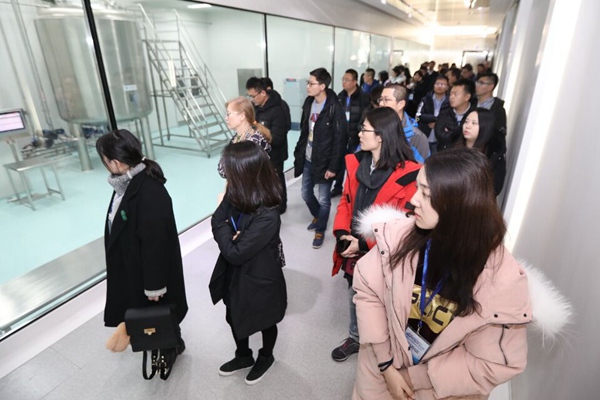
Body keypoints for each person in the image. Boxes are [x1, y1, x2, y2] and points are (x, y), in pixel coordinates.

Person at [352, 148, 565, 400]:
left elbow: (492, 363)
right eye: (418, 188)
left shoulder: (500, 282)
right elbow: (368, 292)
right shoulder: (397, 237)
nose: (413, 200)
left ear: (458, 204)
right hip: (379, 373)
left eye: (426, 194)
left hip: (439, 391)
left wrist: (414, 378)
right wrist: (386, 365)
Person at [330, 107, 421, 363]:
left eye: (364, 129)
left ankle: (383, 346)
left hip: (385, 252)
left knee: (384, 300)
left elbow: (403, 225)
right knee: (355, 293)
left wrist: (363, 243)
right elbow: (346, 202)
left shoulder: (410, 174)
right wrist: (342, 235)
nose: (359, 134)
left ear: (381, 136)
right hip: (352, 246)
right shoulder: (357, 164)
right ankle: (355, 337)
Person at [97, 129, 188, 358]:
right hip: (136, 266)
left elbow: (155, 243)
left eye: (104, 159)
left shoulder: (149, 192)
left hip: (148, 272)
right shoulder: (126, 184)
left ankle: (170, 346)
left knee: (158, 314)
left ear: (116, 162)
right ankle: (167, 342)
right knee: (150, 315)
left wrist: (155, 285)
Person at [210, 141, 287, 385]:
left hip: (260, 276)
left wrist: (230, 236)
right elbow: (216, 220)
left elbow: (235, 252)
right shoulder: (235, 193)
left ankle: (266, 356)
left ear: (245, 171)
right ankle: (243, 356)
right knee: (234, 314)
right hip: (235, 272)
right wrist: (231, 236)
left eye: (229, 168)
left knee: (266, 319)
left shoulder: (268, 213)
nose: (225, 173)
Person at [293, 67, 348, 249]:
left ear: (322, 86)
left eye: (311, 83)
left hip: (325, 160)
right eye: (307, 83)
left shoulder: (334, 108)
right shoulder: (309, 103)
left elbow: (340, 140)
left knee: (324, 198)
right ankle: (318, 215)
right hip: (309, 157)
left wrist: (333, 167)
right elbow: (305, 131)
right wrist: (299, 153)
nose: (308, 86)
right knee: (305, 194)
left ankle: (320, 228)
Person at [246, 77, 291, 213]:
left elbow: (277, 139)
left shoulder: (278, 109)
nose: (252, 100)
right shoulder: (256, 108)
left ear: (263, 93)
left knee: (276, 181)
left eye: (253, 96)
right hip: (260, 155)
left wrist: (255, 124)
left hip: (275, 154)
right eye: (249, 96)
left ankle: (281, 206)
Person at [332, 69, 370, 197]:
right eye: (343, 79)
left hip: (356, 137)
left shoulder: (364, 97)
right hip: (341, 137)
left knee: (354, 164)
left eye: (347, 80)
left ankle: (352, 190)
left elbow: (365, 118)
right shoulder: (340, 97)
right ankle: (337, 187)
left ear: (354, 82)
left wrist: (359, 133)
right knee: (339, 162)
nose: (344, 82)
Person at [217, 97, 271, 179]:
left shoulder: (253, 142)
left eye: (228, 114)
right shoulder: (237, 137)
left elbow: (225, 171)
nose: (226, 118)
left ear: (242, 116)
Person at [378, 84, 430, 162]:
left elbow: (422, 166)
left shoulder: (416, 137)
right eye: (381, 99)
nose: (381, 104)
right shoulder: (373, 126)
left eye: (386, 99)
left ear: (401, 104)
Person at [460, 108, 506, 195]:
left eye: (474, 123)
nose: (467, 126)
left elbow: (495, 189)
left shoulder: (492, 156)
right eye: (466, 121)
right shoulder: (454, 147)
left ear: (485, 127)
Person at [434, 78, 476, 151]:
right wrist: (460, 134)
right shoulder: (445, 112)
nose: (451, 97)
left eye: (455, 94)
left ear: (467, 97)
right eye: (450, 94)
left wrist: (450, 133)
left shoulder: (474, 114)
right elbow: (439, 135)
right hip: (445, 153)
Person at [416, 75, 450, 155]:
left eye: (443, 84)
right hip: (425, 134)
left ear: (447, 87)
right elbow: (417, 117)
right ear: (433, 85)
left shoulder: (450, 101)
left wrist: (438, 124)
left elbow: (451, 118)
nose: (440, 86)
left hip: (441, 138)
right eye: (437, 84)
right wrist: (434, 118)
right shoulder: (425, 99)